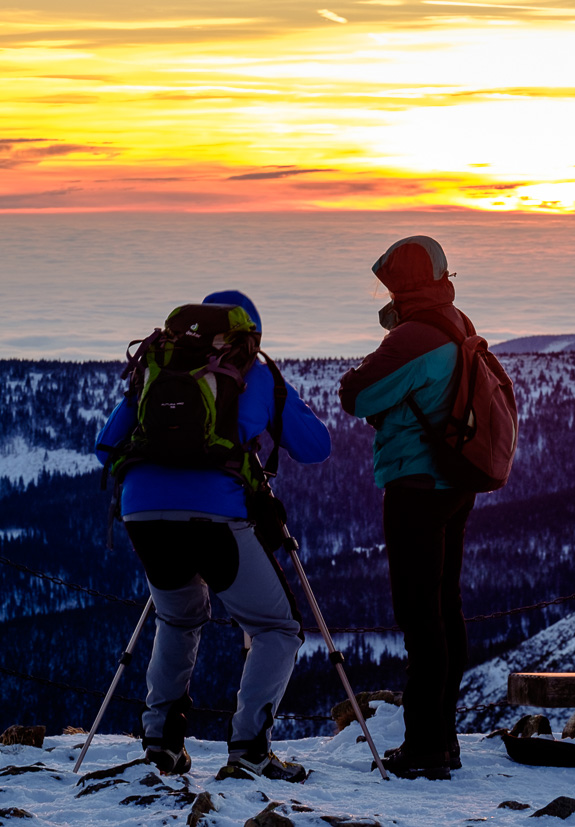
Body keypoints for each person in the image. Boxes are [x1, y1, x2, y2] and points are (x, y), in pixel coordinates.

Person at [95, 290, 331, 781]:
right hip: (216, 516)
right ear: (249, 335)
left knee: (178, 620)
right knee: (277, 628)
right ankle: (249, 750)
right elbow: (315, 447)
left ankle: (161, 745)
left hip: (142, 512)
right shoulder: (254, 372)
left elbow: (105, 448)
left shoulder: (157, 366)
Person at [338, 236, 478, 780]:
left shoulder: (414, 336)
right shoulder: (455, 321)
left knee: (420, 618)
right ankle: (443, 739)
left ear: (401, 284)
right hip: (453, 482)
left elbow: (355, 393)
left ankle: (424, 748)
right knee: (445, 609)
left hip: (415, 483)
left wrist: (393, 339)